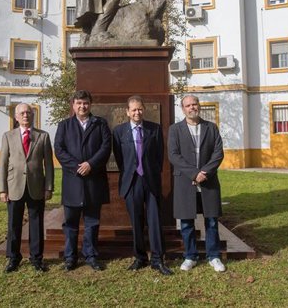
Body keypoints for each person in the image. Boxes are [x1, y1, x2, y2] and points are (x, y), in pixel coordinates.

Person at [112, 95, 172, 275]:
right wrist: (132, 171)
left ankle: (157, 259)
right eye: (133, 110)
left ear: (143, 109)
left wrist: (151, 172)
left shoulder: (154, 129)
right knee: (136, 222)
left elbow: (159, 156)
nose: (137, 112)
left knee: (154, 221)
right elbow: (119, 157)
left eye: (140, 109)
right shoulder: (119, 131)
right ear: (127, 112)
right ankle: (140, 258)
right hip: (131, 182)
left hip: (150, 180)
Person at [54, 90, 112, 271]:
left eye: (85, 103)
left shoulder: (100, 124)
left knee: (92, 221)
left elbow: (106, 147)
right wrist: (76, 166)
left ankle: (91, 255)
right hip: (73, 181)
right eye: (79, 103)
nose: (82, 106)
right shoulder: (64, 125)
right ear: (73, 105)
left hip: (94, 180)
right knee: (70, 222)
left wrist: (90, 164)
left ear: (90, 104)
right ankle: (70, 257)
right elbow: (59, 149)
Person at [168, 95, 226, 273]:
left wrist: (204, 173)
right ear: (182, 108)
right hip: (185, 181)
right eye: (188, 105)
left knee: (211, 220)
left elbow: (218, 153)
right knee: (186, 222)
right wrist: (194, 173)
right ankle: (190, 256)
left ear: (199, 106)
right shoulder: (175, 129)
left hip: (208, 181)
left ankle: (213, 256)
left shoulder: (211, 127)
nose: (192, 107)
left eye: (195, 104)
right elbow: (174, 155)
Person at [0, 103, 54, 273]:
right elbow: (3, 163)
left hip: (36, 186)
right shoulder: (8, 136)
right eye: (22, 113)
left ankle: (36, 258)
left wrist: (49, 187)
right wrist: (2, 189)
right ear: (16, 117)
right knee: (14, 224)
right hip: (14, 186)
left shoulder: (43, 136)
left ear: (33, 115)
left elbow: (49, 165)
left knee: (36, 224)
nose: (25, 116)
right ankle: (13, 258)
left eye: (29, 113)